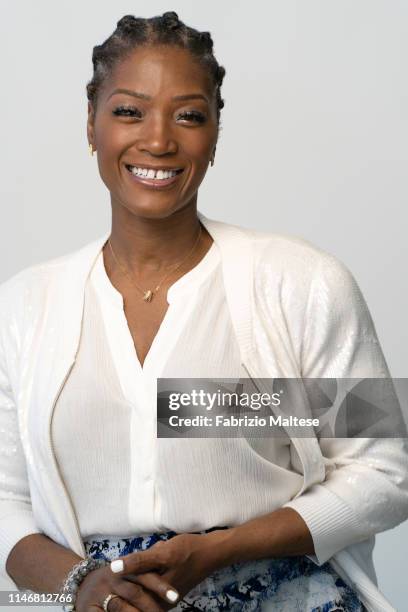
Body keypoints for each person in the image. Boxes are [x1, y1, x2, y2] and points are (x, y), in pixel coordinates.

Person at [0, 11, 407, 612]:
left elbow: (385, 473)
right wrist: (85, 584)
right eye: (129, 111)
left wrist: (220, 550)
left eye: (189, 115)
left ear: (215, 133)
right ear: (91, 124)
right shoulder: (26, 306)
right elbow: (7, 501)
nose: (159, 140)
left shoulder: (298, 283)